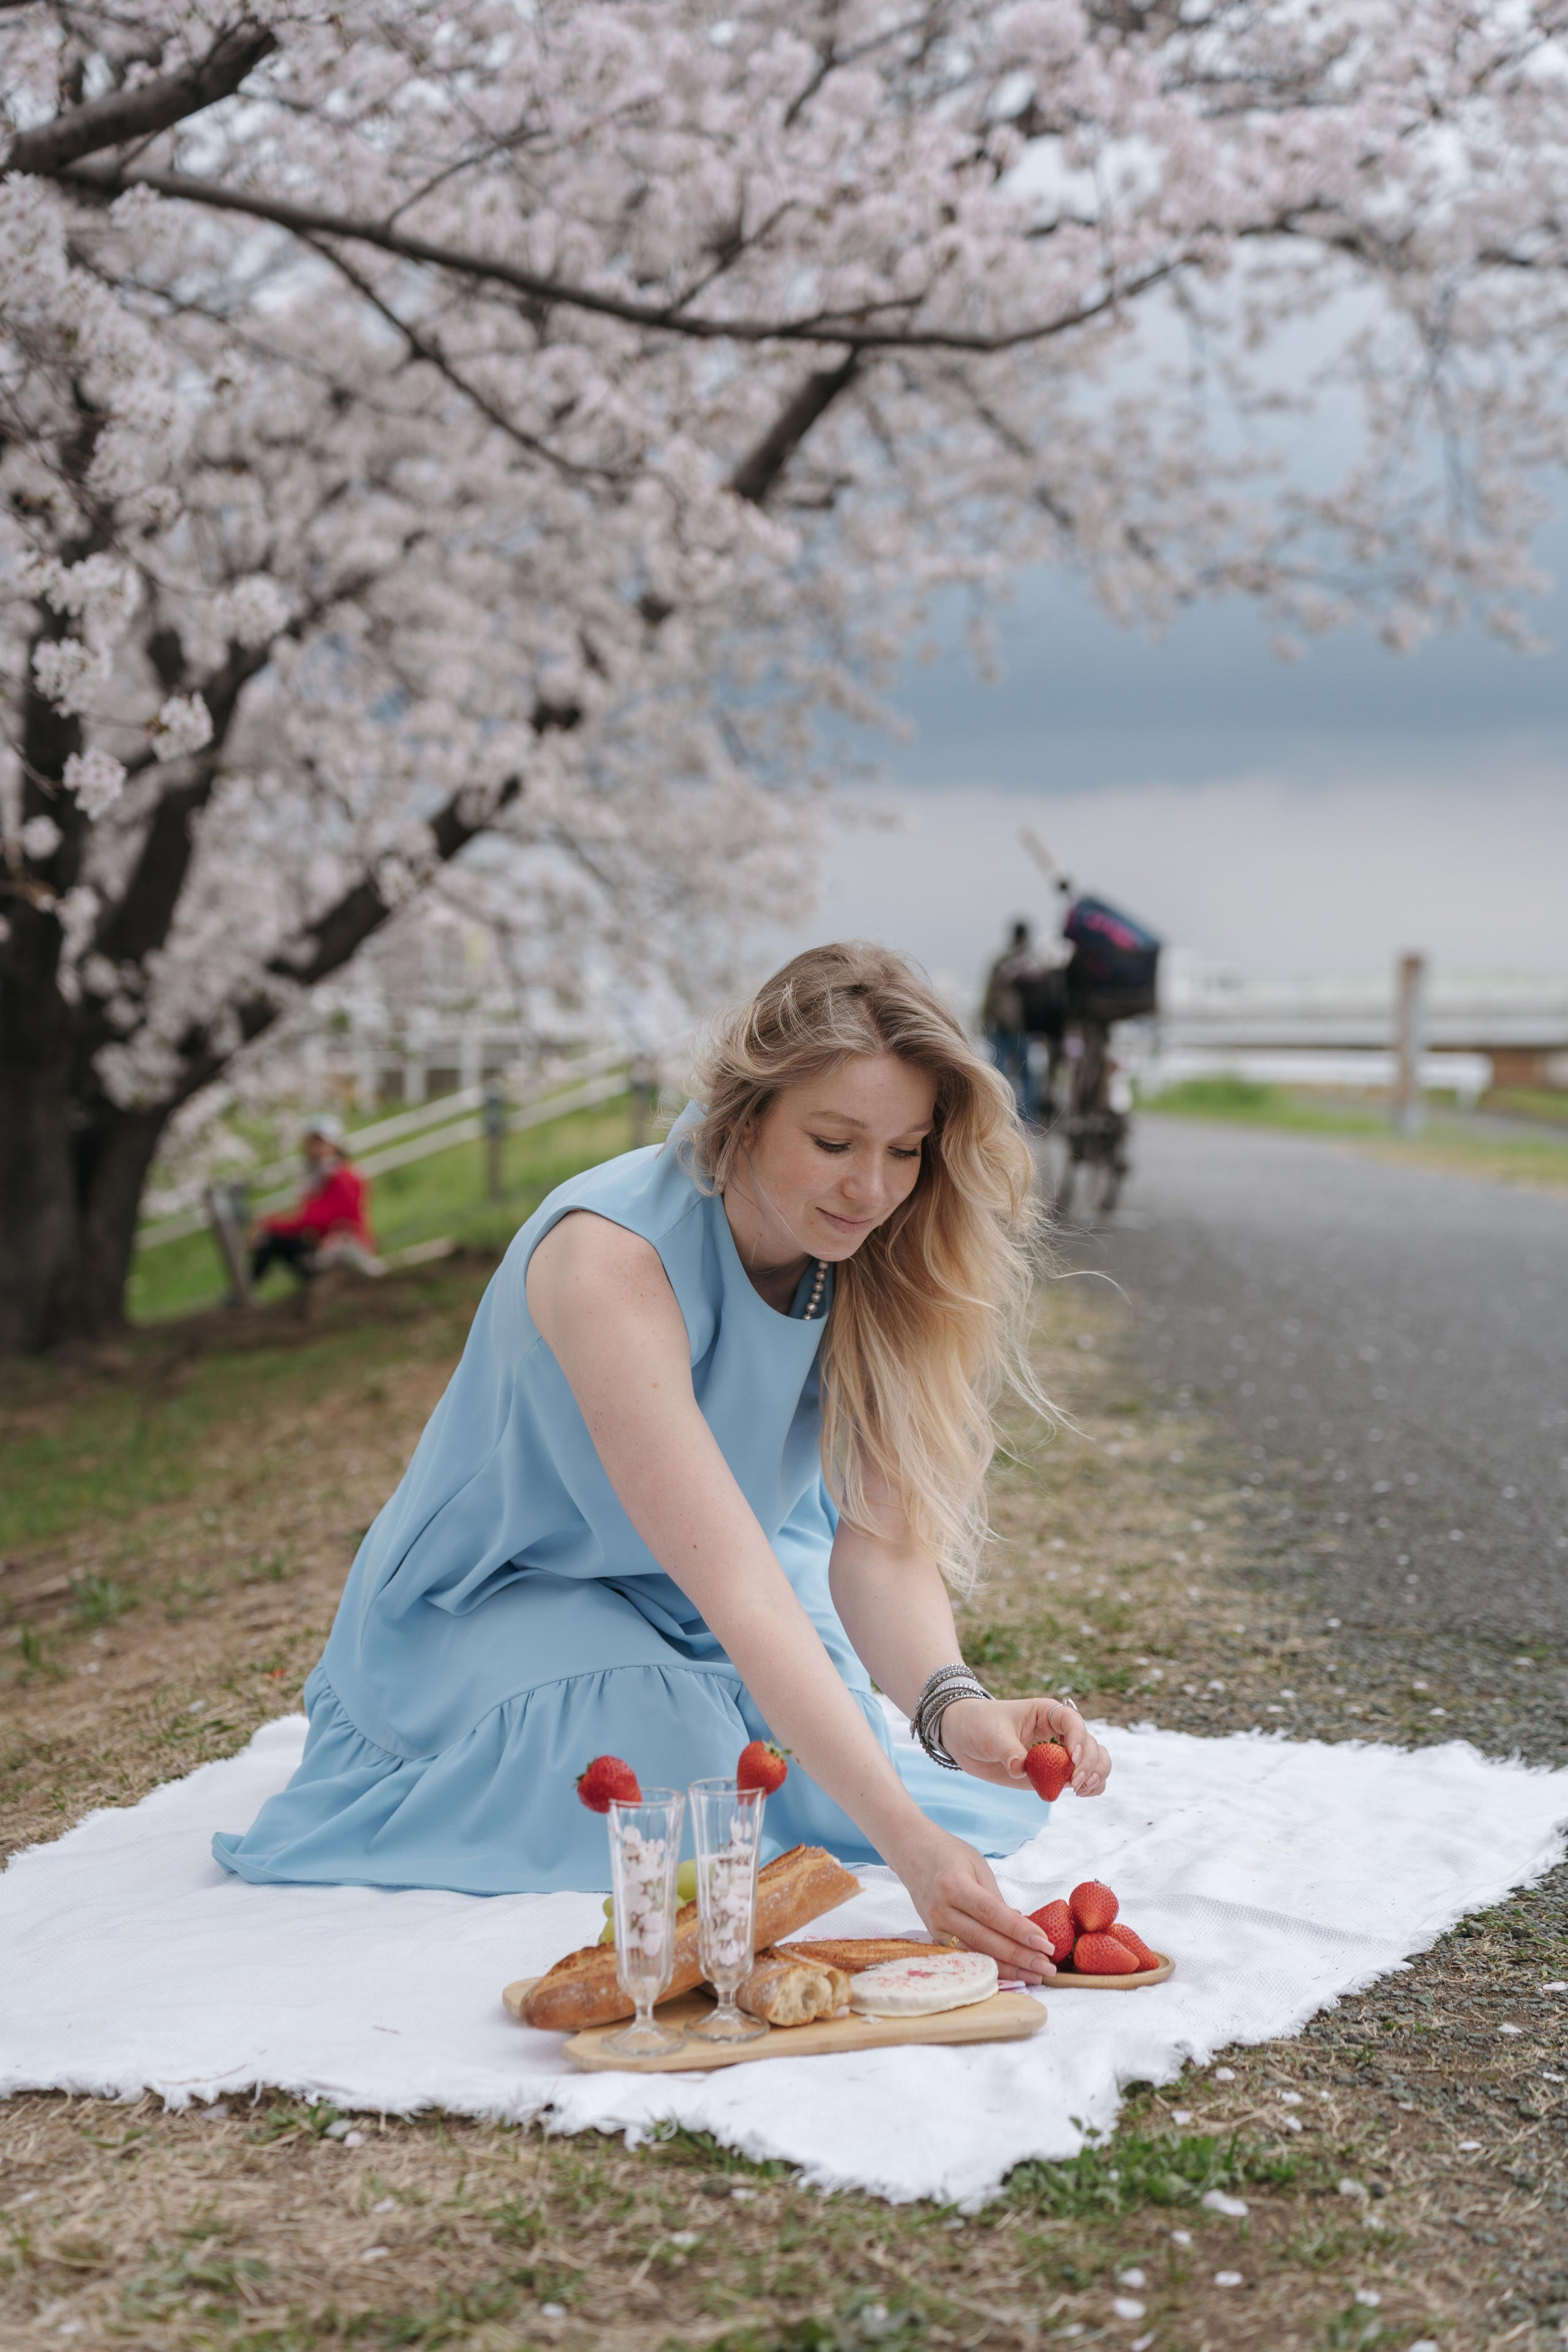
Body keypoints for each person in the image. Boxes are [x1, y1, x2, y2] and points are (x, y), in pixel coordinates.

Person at [215, 945, 1111, 1980]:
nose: (873, 1189)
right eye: (833, 1142)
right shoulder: (613, 1259)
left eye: (907, 1150)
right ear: (743, 1119)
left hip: (714, 1585)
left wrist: (955, 1713)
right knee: (687, 1783)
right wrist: (910, 1845)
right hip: (509, 1588)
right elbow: (736, 1583)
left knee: (796, 1767)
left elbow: (882, 1550)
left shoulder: (874, 1254)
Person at [249, 1114, 377, 1287]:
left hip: (346, 1247)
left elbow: (317, 1220)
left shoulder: (344, 1177)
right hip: (324, 1244)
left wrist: (269, 1224)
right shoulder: (317, 1178)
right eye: (312, 1142)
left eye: (321, 1142)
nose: (315, 1148)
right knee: (272, 1240)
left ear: (335, 1145)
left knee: (272, 1239)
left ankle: (245, 1290)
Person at [982, 919, 1042, 1124]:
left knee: (1003, 1073)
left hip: (1009, 1026)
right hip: (1017, 1028)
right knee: (1018, 1075)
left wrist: (985, 1019)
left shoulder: (1006, 963)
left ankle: (1010, 1118)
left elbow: (989, 995)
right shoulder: (1031, 963)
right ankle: (1021, 1120)